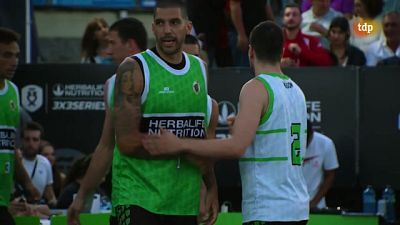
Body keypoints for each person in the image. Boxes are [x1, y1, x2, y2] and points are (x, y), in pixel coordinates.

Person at [143, 21, 309, 225]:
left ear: (251, 51)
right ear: (282, 51)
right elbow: (274, 143)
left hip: (269, 209)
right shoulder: (296, 91)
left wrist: (179, 144)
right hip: (297, 210)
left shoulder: (256, 88)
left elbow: (236, 147)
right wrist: (241, 130)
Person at [68, 1, 219, 225]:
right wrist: (82, 196)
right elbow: (124, 143)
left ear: (187, 27)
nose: (167, 30)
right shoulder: (134, 69)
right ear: (153, 28)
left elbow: (200, 137)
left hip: (182, 200)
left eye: (174, 22)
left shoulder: (200, 69)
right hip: (137, 197)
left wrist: (211, 185)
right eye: (160, 23)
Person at [0, 27, 40, 225]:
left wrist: (27, 183)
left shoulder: (13, 92)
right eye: (7, 55)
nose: (14, 61)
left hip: (4, 197)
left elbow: (10, 147)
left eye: (16, 55)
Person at [303, 121, 339, 209]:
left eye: (307, 140)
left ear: (312, 134)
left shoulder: (326, 144)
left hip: (316, 206)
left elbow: (330, 176)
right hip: (290, 204)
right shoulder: (287, 143)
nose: (304, 144)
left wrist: (313, 202)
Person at [21, 121, 57, 207]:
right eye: (27, 139)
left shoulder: (45, 163)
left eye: (35, 139)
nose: (31, 143)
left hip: (37, 211)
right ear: (22, 140)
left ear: (40, 142)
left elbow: (50, 194)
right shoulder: (15, 161)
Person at [229, 0, 274, 66]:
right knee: (243, 69)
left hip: (261, 33)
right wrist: (241, 34)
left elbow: (265, 4)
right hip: (245, 34)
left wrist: (273, 26)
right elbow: (234, 6)